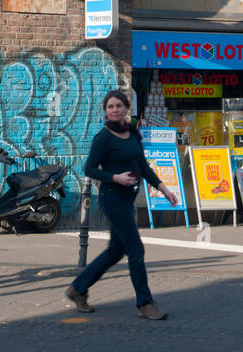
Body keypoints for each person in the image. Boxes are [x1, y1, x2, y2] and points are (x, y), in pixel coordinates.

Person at [66, 90, 179, 320]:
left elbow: (143, 166)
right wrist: (115, 177)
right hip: (112, 198)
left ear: (126, 108)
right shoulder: (104, 138)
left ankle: (78, 288)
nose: (115, 110)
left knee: (116, 251)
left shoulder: (133, 134)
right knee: (136, 249)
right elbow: (89, 168)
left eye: (119, 106)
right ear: (105, 111)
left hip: (128, 199)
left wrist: (164, 189)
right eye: (110, 106)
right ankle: (145, 303)